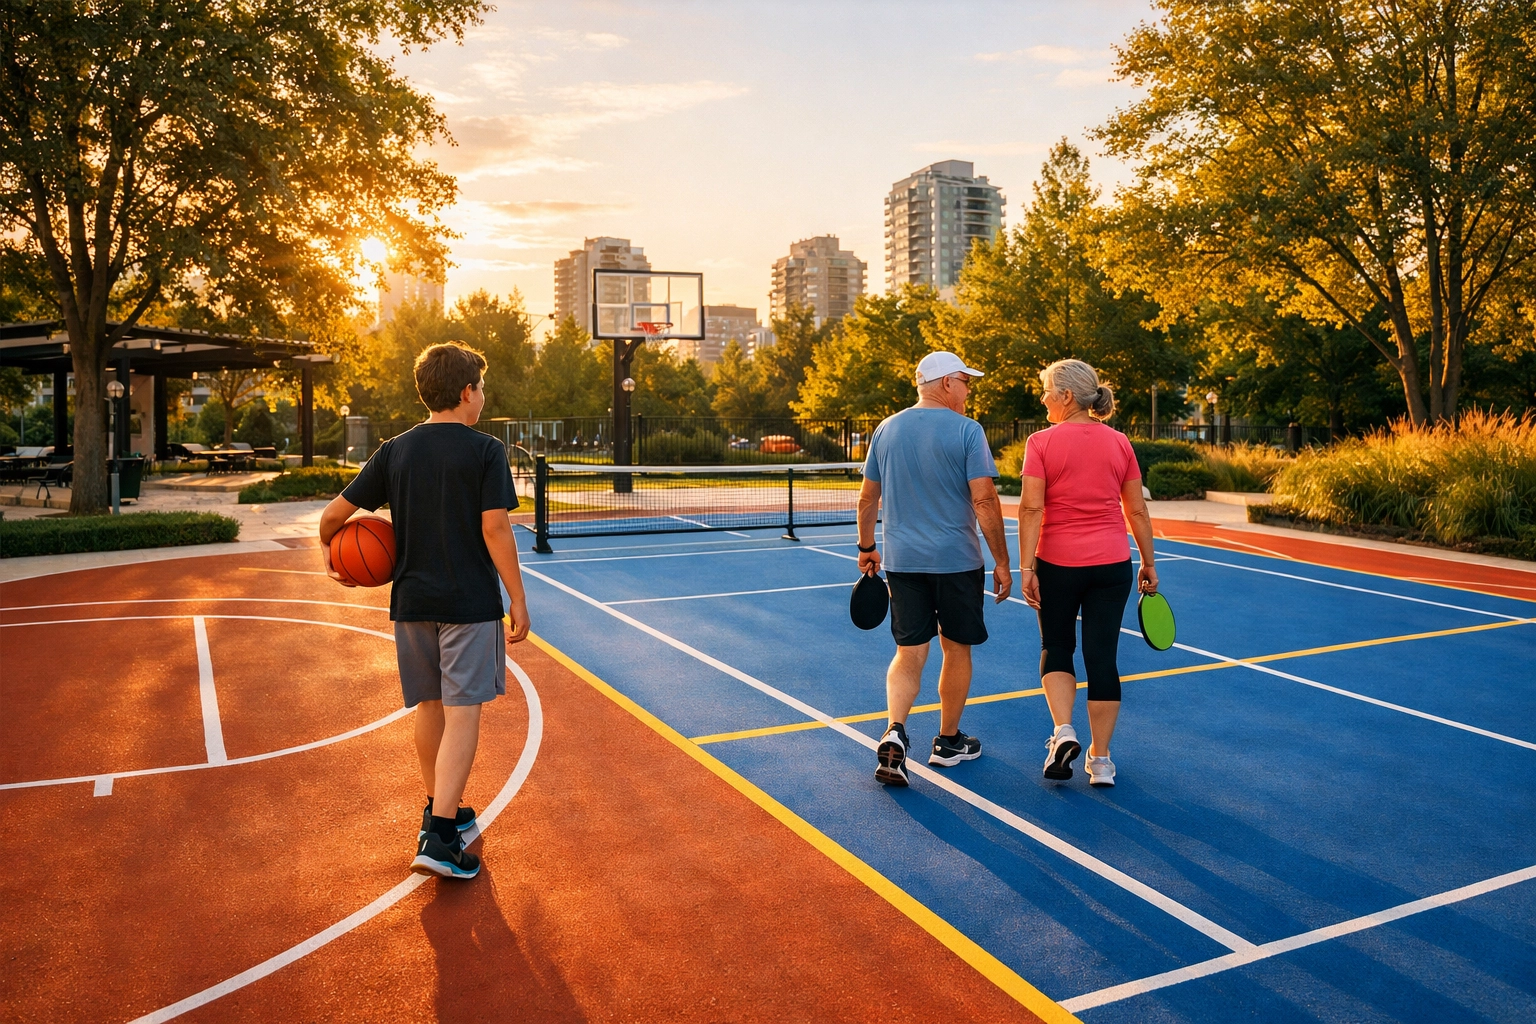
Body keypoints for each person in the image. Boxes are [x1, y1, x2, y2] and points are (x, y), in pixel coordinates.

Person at [319, 342, 531, 879]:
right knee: (464, 712)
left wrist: (335, 557)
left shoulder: (395, 450)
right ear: (466, 393)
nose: (483, 398)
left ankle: (439, 809)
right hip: (467, 602)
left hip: (411, 603)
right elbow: (495, 527)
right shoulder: (486, 450)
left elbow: (332, 518)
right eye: (481, 389)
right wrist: (518, 598)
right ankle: (439, 840)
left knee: (430, 708)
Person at [857, 351, 1013, 787]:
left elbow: (868, 499)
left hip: (904, 564)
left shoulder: (886, 429)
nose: (968, 390)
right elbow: (984, 500)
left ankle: (895, 730)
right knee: (956, 649)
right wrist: (1002, 561)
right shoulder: (968, 431)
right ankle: (947, 742)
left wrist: (866, 547)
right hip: (957, 562)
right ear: (946, 383)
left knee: (909, 653)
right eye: (965, 381)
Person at [1017, 359, 1156, 787]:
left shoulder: (1040, 443)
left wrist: (1026, 566)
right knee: (1103, 659)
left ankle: (1063, 732)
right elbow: (1135, 509)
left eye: (1046, 390)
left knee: (1056, 645)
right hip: (1112, 565)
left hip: (1057, 563)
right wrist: (1149, 562)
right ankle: (1101, 761)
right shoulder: (1119, 442)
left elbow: (1031, 508)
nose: (1042, 398)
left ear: (1066, 396)